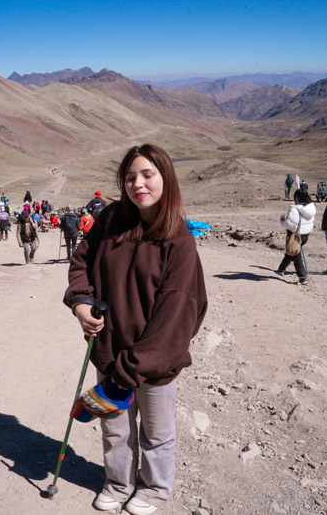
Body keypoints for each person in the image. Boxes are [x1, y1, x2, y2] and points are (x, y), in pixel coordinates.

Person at [63, 144, 208, 515]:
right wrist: (80, 302)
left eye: (147, 175)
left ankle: (155, 489)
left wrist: (130, 371)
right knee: (115, 431)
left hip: (155, 364)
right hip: (110, 354)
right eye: (130, 177)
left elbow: (175, 318)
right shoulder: (111, 219)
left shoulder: (179, 241)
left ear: (166, 179)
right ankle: (117, 482)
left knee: (156, 435)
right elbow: (81, 262)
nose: (137, 184)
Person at [276, 190, 316, 285]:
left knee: (296, 255)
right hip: (305, 235)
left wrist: (282, 221)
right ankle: (281, 269)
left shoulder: (294, 209)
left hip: (296, 235)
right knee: (291, 252)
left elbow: (289, 224)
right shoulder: (310, 208)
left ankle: (302, 277)